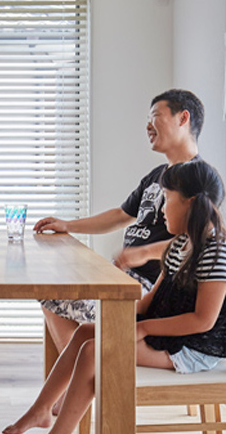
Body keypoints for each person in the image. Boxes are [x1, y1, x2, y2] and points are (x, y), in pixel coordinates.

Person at [4, 159, 226, 434]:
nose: (162, 209)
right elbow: (149, 302)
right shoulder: (182, 244)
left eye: (168, 199)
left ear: (191, 203)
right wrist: (116, 318)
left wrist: (142, 329)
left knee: (93, 351)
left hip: (193, 350)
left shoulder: (217, 251)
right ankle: (42, 410)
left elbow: (202, 320)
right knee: (87, 331)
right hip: (171, 338)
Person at [35, 89, 205, 355]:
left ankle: (86, 381)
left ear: (183, 118)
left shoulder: (199, 179)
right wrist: (69, 225)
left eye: (156, 116)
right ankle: (81, 384)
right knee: (52, 290)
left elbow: (200, 240)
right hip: (121, 278)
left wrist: (143, 252)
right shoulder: (158, 175)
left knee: (53, 293)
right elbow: (120, 215)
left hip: (146, 290)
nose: (148, 126)